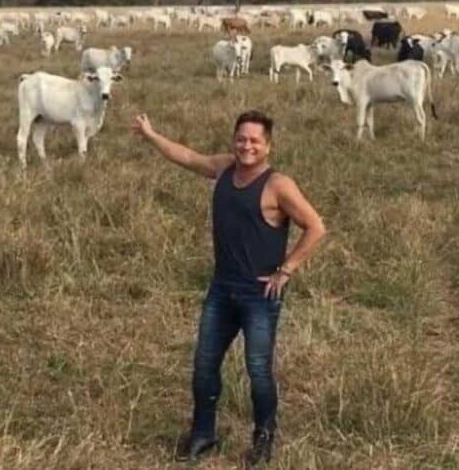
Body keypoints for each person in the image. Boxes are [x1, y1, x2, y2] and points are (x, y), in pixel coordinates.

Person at [131, 110, 326, 466]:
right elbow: (188, 157)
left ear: (268, 146)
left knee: (258, 370)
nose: (246, 146)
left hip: (259, 296)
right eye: (241, 138)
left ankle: (263, 439)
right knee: (204, 365)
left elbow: (315, 227)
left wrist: (287, 270)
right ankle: (203, 434)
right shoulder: (224, 168)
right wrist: (151, 135)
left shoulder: (278, 185)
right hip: (221, 290)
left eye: (254, 140)